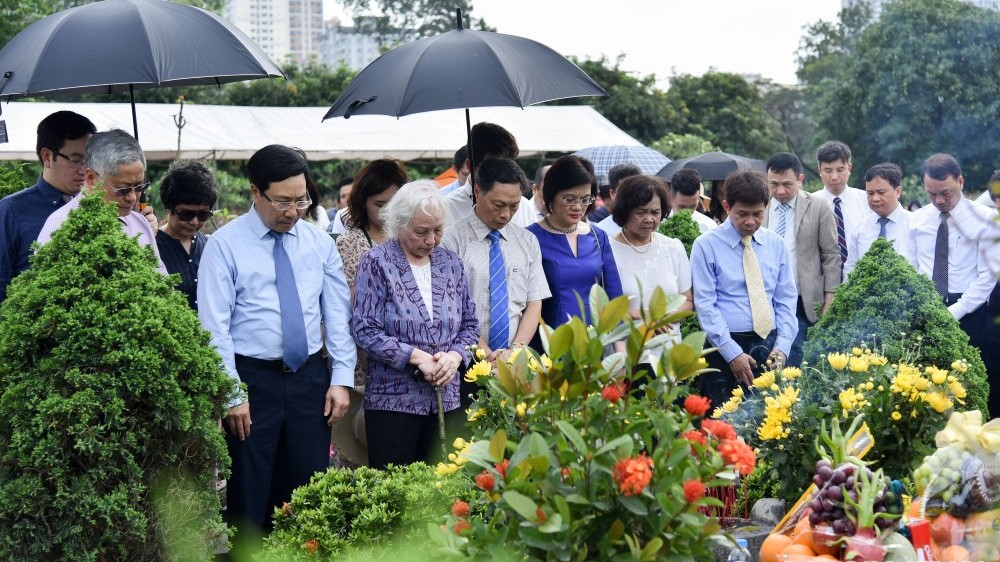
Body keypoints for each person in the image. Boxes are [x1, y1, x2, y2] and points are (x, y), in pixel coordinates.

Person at [197, 145, 356, 548]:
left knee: (309, 491)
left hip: (310, 379)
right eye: (283, 201)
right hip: (252, 382)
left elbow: (338, 316)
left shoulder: (318, 243)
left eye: (301, 200)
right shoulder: (224, 245)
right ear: (256, 191)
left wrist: (341, 378)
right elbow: (214, 328)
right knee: (250, 492)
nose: (293, 211)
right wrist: (232, 394)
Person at [352, 180, 478, 469]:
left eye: (438, 230)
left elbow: (470, 325)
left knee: (443, 484)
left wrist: (454, 356)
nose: (431, 240)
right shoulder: (377, 262)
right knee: (396, 486)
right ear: (399, 224)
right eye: (421, 232)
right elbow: (365, 330)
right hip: (393, 401)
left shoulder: (451, 263)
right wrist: (417, 357)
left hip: (446, 399)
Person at [441, 157, 549, 403]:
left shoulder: (527, 241)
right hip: (464, 362)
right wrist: (486, 355)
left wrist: (515, 352)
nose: (505, 214)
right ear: (478, 191)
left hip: (516, 363)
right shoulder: (451, 241)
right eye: (498, 204)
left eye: (514, 206)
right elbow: (452, 308)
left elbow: (534, 302)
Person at [690, 170, 798, 410]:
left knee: (771, 421)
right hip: (724, 347)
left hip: (769, 344)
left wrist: (782, 346)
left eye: (758, 214)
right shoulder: (706, 245)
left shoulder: (775, 244)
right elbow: (705, 305)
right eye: (742, 214)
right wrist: (732, 354)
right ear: (727, 206)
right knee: (722, 423)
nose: (750, 222)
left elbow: (785, 300)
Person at [907, 153, 1000, 416]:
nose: (939, 200)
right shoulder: (916, 220)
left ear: (960, 182)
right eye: (931, 194)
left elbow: (987, 277)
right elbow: (911, 267)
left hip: (970, 314)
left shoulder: (985, 219)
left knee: (972, 389)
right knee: (930, 390)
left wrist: (954, 312)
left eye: (945, 193)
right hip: (928, 310)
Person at [37, 129, 166, 274]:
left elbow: (163, 282)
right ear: (91, 178)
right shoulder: (59, 226)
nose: (133, 197)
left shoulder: (141, 224)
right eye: (123, 189)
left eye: (139, 187)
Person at [0, 111, 96, 302]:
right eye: (75, 160)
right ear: (47, 156)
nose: (84, 170)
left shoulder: (100, 206)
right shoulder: (10, 211)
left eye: (90, 161)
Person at [526, 155, 624, 340]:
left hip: (592, 342)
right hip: (547, 343)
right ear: (550, 195)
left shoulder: (598, 236)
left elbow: (614, 297)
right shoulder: (530, 238)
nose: (578, 207)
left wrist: (620, 348)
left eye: (585, 199)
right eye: (569, 199)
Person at [335, 158, 408, 392]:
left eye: (393, 203)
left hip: (411, 352)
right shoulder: (350, 242)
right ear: (362, 201)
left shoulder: (410, 239)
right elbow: (348, 307)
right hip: (366, 355)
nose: (387, 212)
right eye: (379, 204)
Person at [763, 152, 840, 366]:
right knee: (767, 360)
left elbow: (831, 256)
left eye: (787, 184)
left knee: (798, 362)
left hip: (803, 300)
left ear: (800, 179)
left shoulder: (819, 207)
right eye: (774, 184)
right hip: (766, 300)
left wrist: (830, 300)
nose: (780, 191)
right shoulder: (760, 206)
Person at [608, 175, 692, 342]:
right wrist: (639, 316)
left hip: (669, 348)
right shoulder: (607, 250)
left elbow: (688, 301)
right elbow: (601, 308)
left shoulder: (673, 247)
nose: (649, 219)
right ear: (625, 211)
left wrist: (663, 317)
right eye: (641, 212)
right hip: (627, 350)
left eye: (655, 212)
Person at [444, 122, 536, 228]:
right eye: (492, 168)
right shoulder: (447, 209)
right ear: (470, 165)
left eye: (507, 167)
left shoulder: (525, 208)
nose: (500, 174)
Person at [155, 160, 218, 310]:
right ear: (169, 207)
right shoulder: (153, 246)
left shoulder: (211, 245)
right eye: (186, 214)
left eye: (203, 215)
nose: (194, 222)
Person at [843, 163, 916, 277]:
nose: (875, 198)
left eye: (881, 192)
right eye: (870, 193)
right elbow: (850, 267)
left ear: (897, 192)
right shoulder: (860, 229)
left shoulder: (914, 225)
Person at [811, 141, 868, 272]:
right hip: (822, 276)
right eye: (828, 170)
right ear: (819, 170)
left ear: (849, 168)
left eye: (840, 170)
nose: (834, 177)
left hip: (861, 275)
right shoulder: (809, 203)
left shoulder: (866, 201)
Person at [594, 162, 643, 235]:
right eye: (625, 190)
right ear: (612, 194)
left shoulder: (654, 225)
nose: (632, 195)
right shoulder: (599, 233)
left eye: (637, 189)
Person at [669, 168, 718, 234]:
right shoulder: (659, 223)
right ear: (671, 197)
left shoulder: (709, 227)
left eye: (693, 206)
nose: (688, 212)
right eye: (682, 207)